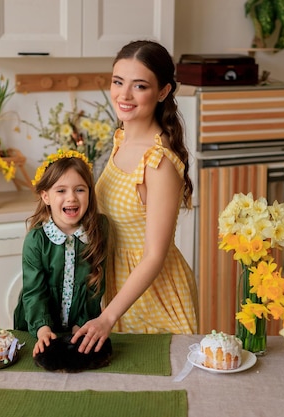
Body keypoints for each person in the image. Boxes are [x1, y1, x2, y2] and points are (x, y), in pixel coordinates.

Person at [72, 40, 198, 353]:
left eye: (139, 86)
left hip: (156, 297)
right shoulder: (121, 141)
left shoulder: (159, 164)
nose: (124, 95)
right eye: (118, 82)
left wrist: (107, 316)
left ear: (163, 92)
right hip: (121, 294)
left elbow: (155, 254)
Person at [13, 150, 109, 356]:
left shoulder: (98, 230)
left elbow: (96, 284)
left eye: (80, 190)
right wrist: (43, 329)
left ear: (90, 193)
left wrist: (80, 325)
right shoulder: (36, 240)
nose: (71, 198)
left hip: (80, 327)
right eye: (61, 191)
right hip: (38, 328)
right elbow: (34, 292)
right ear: (45, 196)